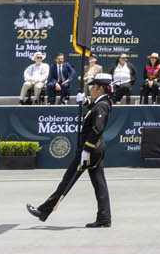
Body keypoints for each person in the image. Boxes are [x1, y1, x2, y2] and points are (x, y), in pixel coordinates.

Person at [29, 72, 112, 228]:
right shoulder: (102, 102)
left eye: (93, 87)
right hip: (95, 150)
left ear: (101, 89)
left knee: (67, 181)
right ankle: (104, 217)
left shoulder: (102, 105)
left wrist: (86, 151)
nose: (91, 89)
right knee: (100, 183)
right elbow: (94, 110)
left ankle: (44, 211)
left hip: (90, 151)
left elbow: (96, 129)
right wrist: (86, 101)